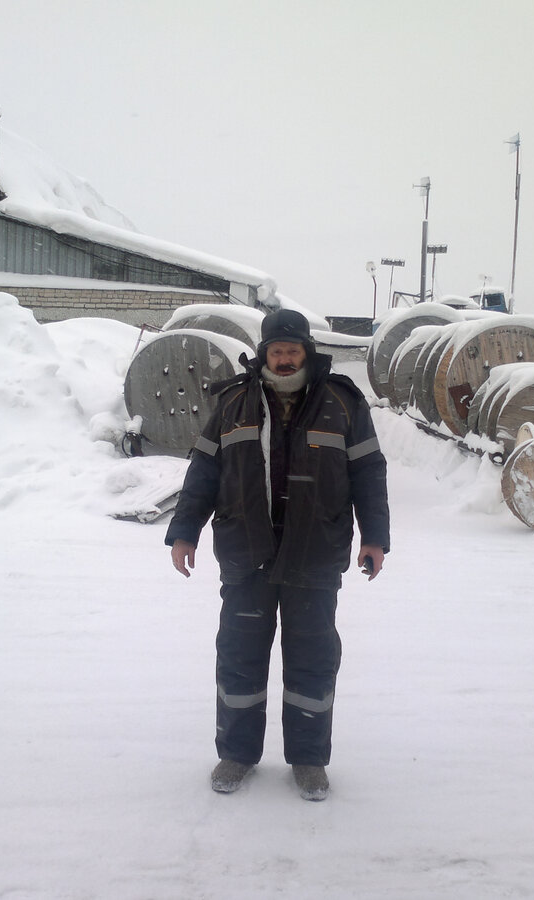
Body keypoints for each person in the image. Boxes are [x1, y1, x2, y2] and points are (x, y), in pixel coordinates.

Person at [165, 308, 390, 801]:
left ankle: (309, 759)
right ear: (264, 353)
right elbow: (203, 471)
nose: (285, 359)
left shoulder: (342, 402)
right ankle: (237, 754)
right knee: (240, 657)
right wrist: (185, 531)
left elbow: (369, 472)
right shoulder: (233, 403)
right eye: (276, 350)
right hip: (246, 551)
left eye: (293, 350)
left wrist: (375, 536)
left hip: (317, 552)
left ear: (307, 351)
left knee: (312, 658)